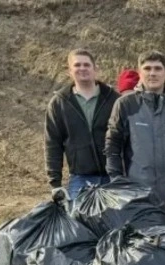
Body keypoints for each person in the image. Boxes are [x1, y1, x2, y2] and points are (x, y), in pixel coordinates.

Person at [104, 51, 165, 234]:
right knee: (142, 249)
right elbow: (112, 147)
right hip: (139, 198)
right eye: (147, 68)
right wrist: (116, 181)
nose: (152, 73)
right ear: (140, 73)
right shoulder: (125, 105)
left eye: (158, 69)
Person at [45, 49, 119, 200]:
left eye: (86, 65)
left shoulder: (114, 99)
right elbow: (52, 143)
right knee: (79, 216)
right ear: (69, 71)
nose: (82, 68)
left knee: (117, 216)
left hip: (113, 177)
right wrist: (55, 183)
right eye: (77, 65)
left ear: (95, 69)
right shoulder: (59, 103)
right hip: (80, 179)